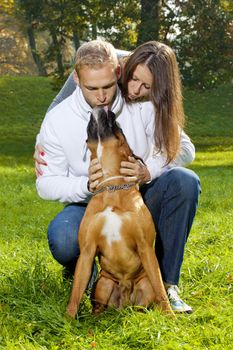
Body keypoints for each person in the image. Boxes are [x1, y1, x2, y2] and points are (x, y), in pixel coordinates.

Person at [35, 39, 200, 313]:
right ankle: (85, 274)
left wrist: (148, 170)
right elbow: (45, 183)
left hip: (138, 198)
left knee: (184, 181)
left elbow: (184, 148)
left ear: (118, 74)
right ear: (76, 79)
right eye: (92, 88)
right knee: (64, 237)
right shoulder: (56, 121)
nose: (101, 96)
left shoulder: (144, 102)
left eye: (108, 86)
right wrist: (85, 184)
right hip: (91, 203)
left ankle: (167, 285)